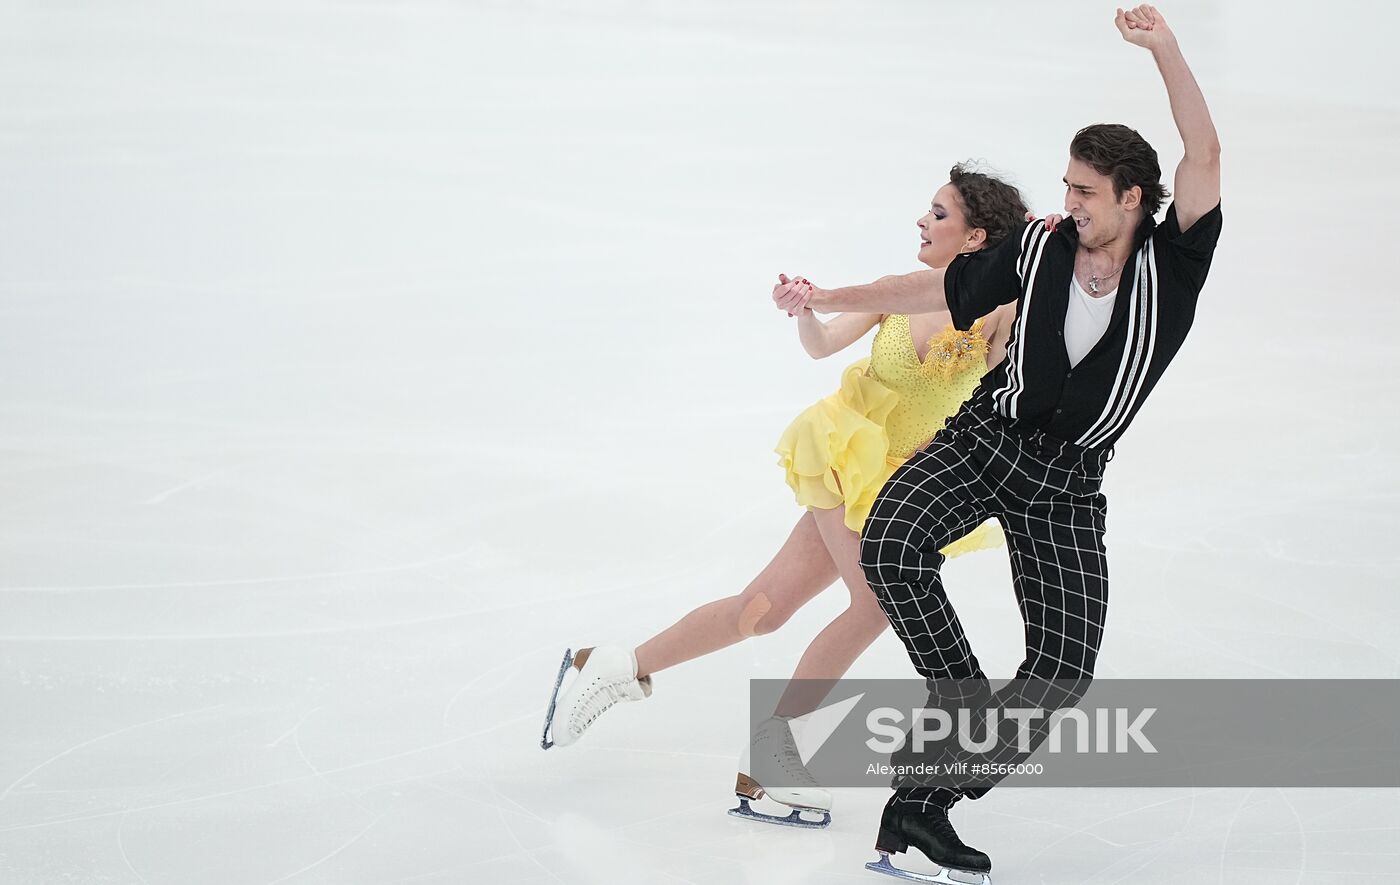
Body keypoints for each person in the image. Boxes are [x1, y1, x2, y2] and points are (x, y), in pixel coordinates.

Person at [772, 5, 1222, 881]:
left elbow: (1203, 154)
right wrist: (828, 292)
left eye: (1085, 191)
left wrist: (1164, 48)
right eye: (1066, 186)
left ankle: (922, 804)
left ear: (1132, 197)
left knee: (1060, 671)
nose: (1068, 203)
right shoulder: (1041, 245)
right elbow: (928, 284)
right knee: (895, 546)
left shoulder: (1176, 260)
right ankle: (958, 695)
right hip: (987, 440)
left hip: (1068, 483)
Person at [541, 164, 1030, 829]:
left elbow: (1002, 395)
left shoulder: (1000, 312)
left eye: (939, 215)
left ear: (977, 239)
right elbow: (823, 343)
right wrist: (806, 312)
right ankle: (773, 759)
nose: (922, 220)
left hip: (904, 479)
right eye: (928, 209)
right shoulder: (897, 292)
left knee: (762, 609)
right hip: (843, 453)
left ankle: (616, 664)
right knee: (876, 601)